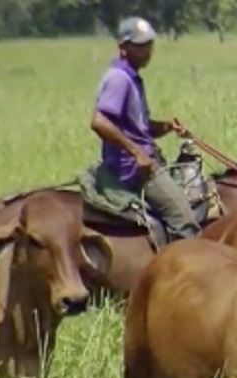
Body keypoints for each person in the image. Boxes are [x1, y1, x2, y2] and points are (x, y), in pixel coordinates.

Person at [89, 16, 201, 241]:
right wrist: (137, 152)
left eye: (149, 44)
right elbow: (99, 122)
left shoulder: (132, 78)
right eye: (140, 46)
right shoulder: (119, 79)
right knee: (185, 221)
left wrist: (166, 126)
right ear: (123, 47)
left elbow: (137, 128)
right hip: (133, 168)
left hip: (142, 159)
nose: (147, 51)